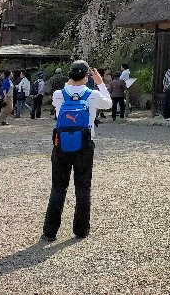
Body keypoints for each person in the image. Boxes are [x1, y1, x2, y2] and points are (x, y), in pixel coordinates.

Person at [42, 60, 112, 241]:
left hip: (61, 145)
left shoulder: (59, 95)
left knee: (58, 187)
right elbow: (109, 104)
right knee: (82, 188)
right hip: (84, 146)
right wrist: (100, 83)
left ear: (70, 74)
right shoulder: (93, 95)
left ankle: (50, 232)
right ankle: (80, 230)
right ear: (86, 76)